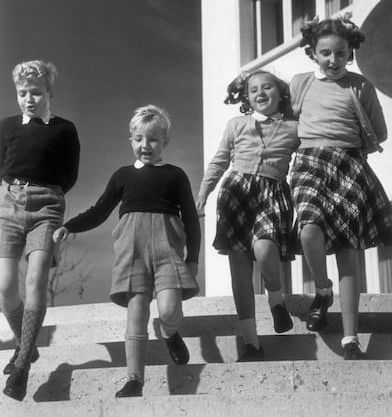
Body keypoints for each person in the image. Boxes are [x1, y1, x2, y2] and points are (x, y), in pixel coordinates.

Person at [53, 104, 200, 398]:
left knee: (170, 308)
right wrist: (69, 226)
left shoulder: (175, 175)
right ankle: (134, 379)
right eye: (139, 139)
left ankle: (170, 333)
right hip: (131, 252)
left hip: (167, 250)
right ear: (131, 140)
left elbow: (192, 220)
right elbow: (100, 210)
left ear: (165, 142)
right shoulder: (122, 176)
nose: (146, 146)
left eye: (154, 139)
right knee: (137, 311)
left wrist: (192, 258)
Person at [289, 15, 392, 359]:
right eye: (326, 53)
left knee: (348, 253)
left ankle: (350, 338)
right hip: (309, 162)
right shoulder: (299, 83)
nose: (333, 60)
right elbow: (285, 124)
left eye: (341, 53)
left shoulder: (361, 86)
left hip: (349, 165)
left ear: (350, 53)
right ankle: (323, 291)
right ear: (313, 52)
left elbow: (379, 132)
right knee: (309, 228)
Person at [197, 70, 299, 361]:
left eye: (267, 87)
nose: (260, 93)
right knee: (240, 270)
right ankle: (251, 343)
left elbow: (308, 158)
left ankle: (276, 300)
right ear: (246, 97)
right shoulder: (236, 124)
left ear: (280, 93)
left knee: (265, 248)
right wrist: (204, 192)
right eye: (253, 90)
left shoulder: (294, 127)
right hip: (236, 194)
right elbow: (219, 161)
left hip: (273, 191)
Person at [0, 60, 80, 401]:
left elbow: (70, 174)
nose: (29, 99)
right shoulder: (5, 127)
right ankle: (26, 344)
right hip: (9, 204)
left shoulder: (64, 129)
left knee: (34, 280)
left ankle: (22, 367)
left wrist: (50, 195)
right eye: (22, 93)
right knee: (4, 287)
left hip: (47, 206)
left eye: (35, 92)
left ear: (49, 93)